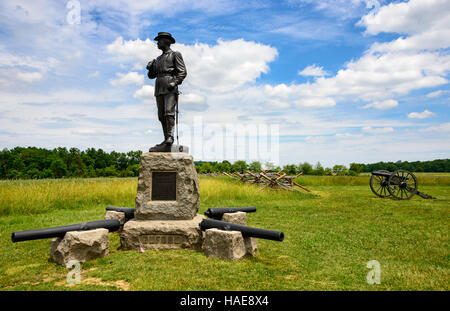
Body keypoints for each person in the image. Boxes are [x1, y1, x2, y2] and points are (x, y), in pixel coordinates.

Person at [147, 32, 187, 151]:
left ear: (166, 41)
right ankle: (166, 140)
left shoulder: (175, 54)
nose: (157, 43)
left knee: (168, 112)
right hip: (159, 86)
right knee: (161, 115)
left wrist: (174, 83)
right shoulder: (158, 59)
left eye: (159, 41)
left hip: (170, 85)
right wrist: (150, 68)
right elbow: (151, 76)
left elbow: (182, 72)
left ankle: (170, 138)